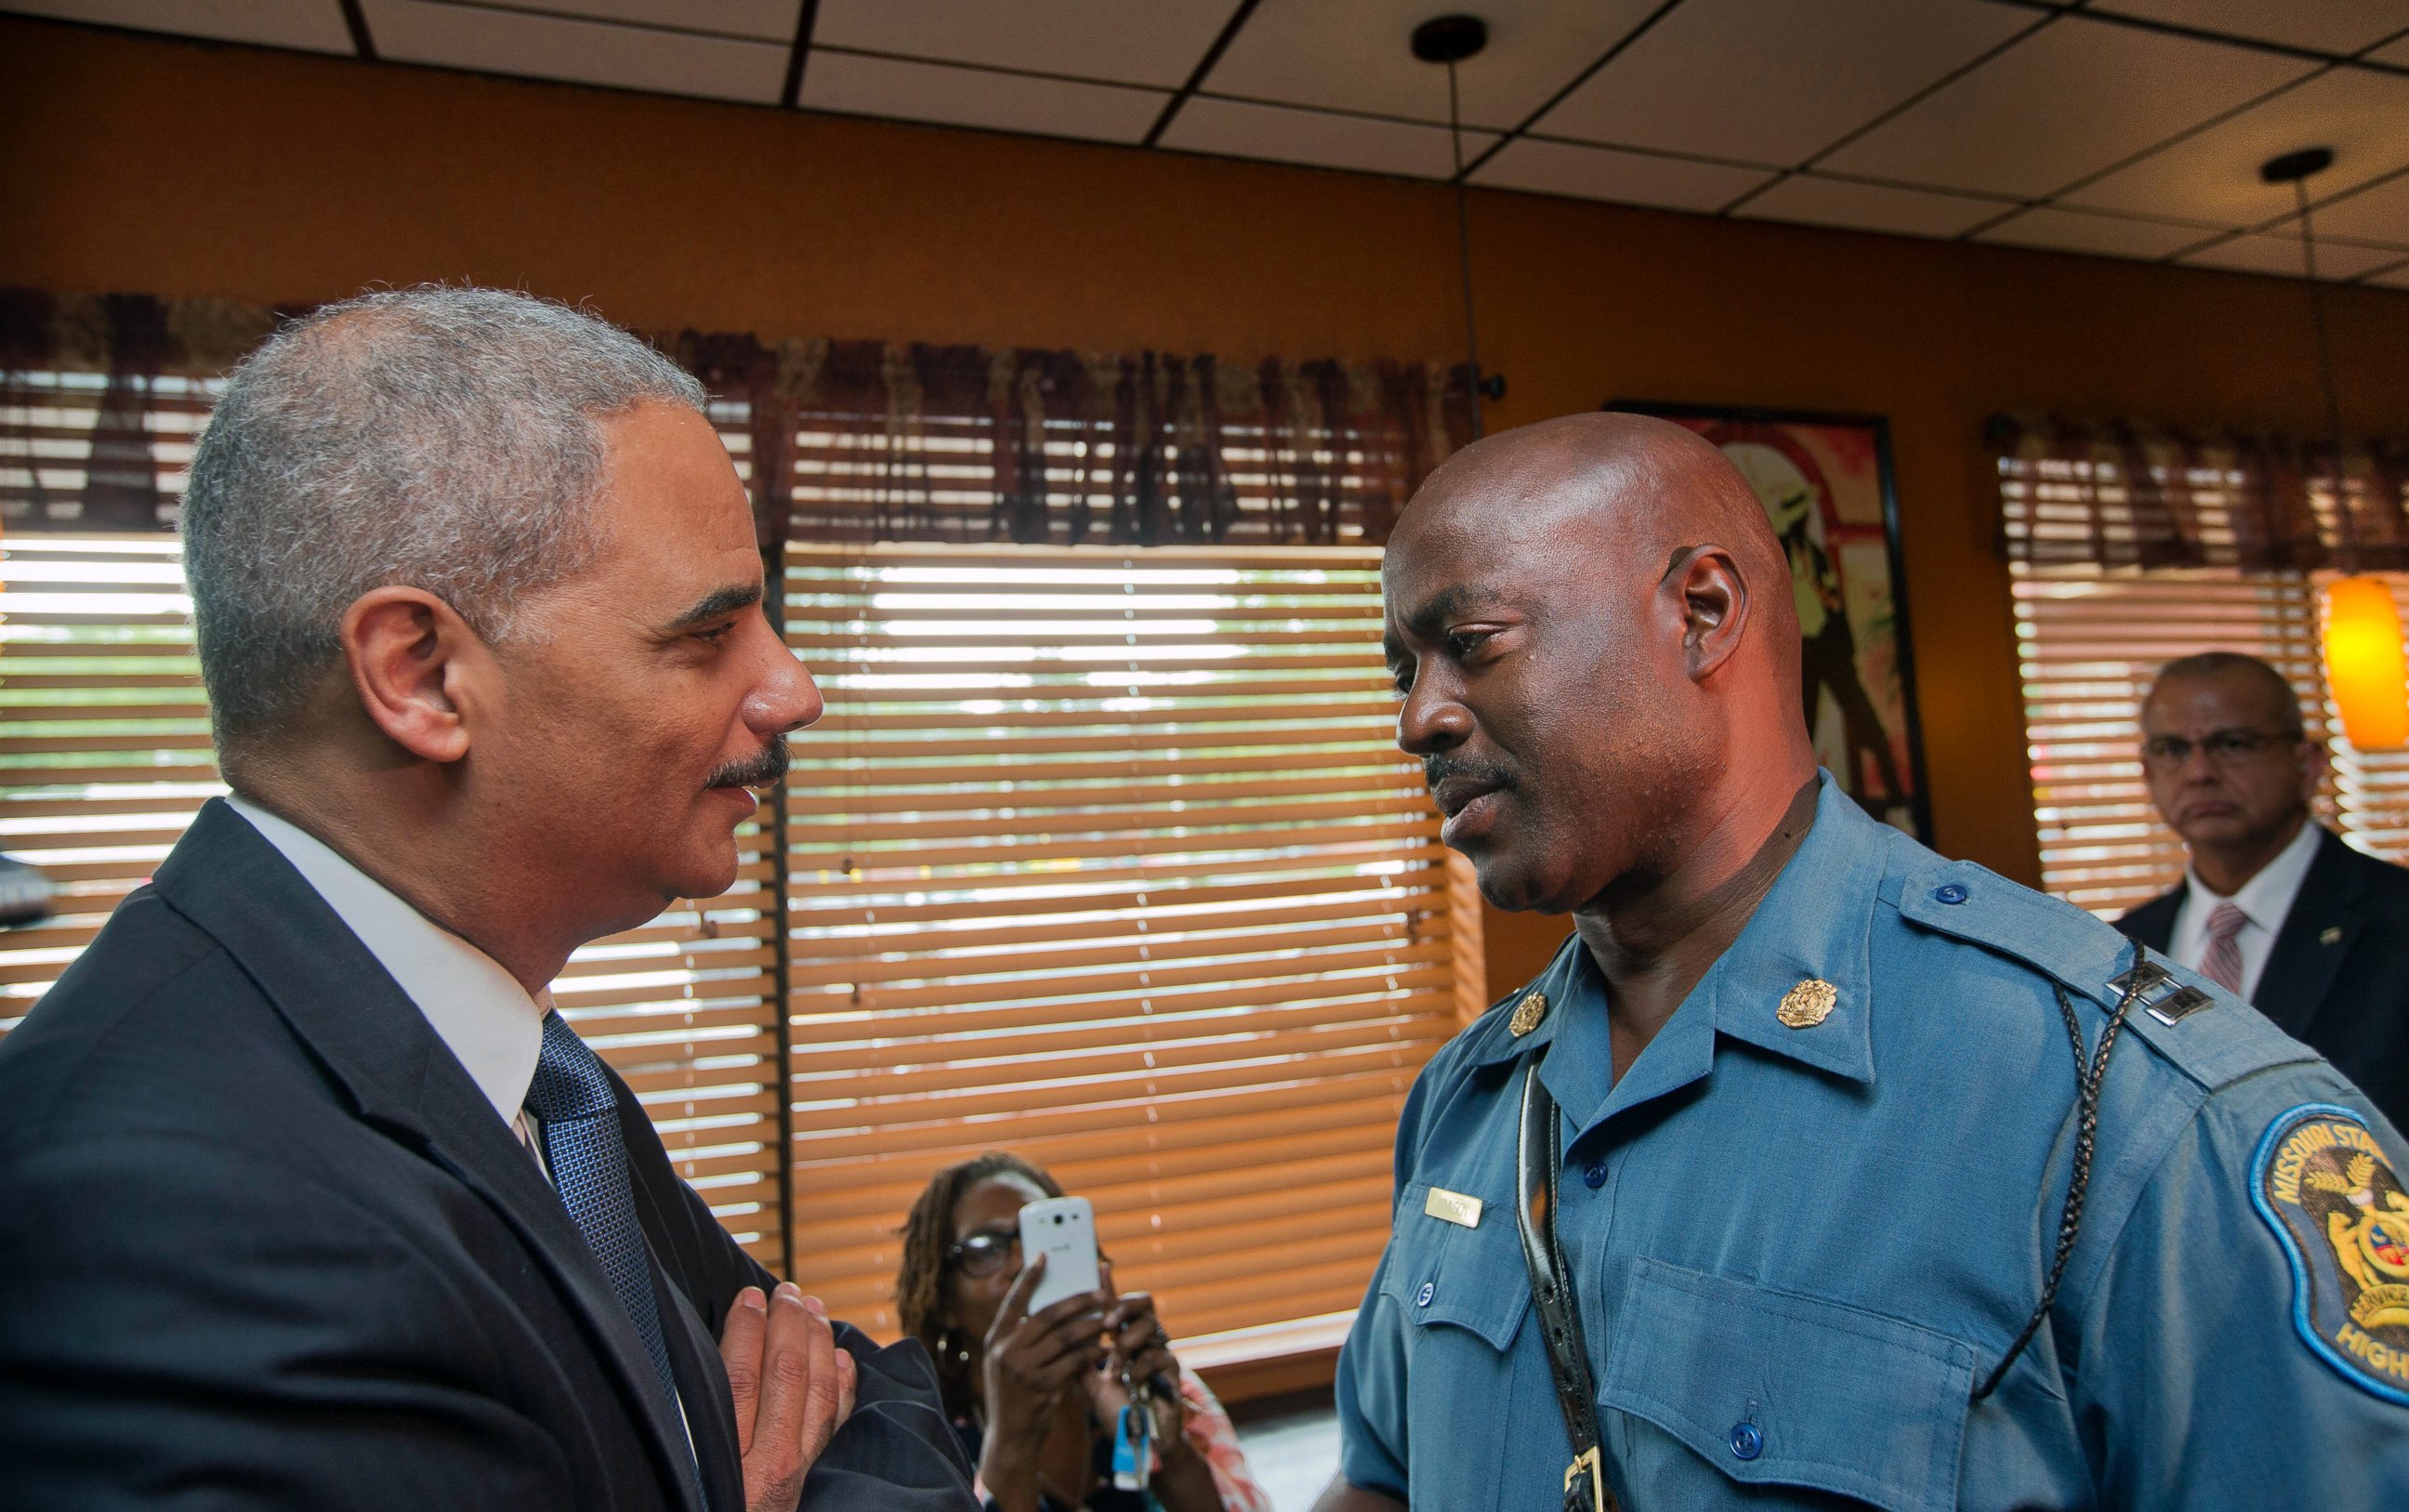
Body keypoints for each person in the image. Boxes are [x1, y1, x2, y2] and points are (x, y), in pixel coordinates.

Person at [1314, 413, 2409, 1510]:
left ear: (1700, 613)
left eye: (1473, 644)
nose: (1417, 719)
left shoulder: (2130, 1111)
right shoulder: (1467, 1102)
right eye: (1400, 669)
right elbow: (1382, 1477)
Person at [0, 288, 979, 1512]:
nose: (793, 686)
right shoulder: (160, 1214)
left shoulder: (536, 1073)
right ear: (421, 675)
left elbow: (860, 1391)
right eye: (710, 629)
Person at [2117, 651, 2409, 1131]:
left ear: (2307, 763)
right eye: (2173, 749)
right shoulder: (2126, 948)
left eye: (2232, 744)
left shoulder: (2395, 918)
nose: (2199, 772)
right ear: (2147, 772)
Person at [894, 1153, 1270, 1512]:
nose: (1025, 1264)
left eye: (1040, 1235)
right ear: (943, 1300)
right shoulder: (919, 1439)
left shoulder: (1156, 1388)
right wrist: (1011, 1447)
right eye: (985, 1248)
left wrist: (1170, 1454)